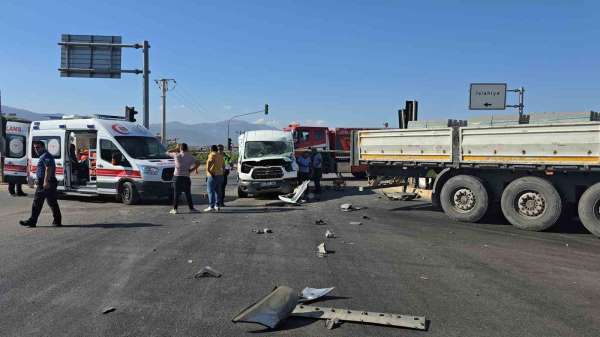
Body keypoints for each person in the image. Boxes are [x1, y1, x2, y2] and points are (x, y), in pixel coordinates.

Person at [19, 141, 62, 227]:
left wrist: (45, 181)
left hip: (46, 183)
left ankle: (32, 221)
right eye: (35, 148)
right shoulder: (44, 155)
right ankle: (57, 220)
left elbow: (48, 168)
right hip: (47, 182)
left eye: (38, 147)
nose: (36, 149)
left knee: (37, 202)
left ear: (43, 147)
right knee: (52, 202)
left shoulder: (45, 155)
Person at [167, 143, 200, 214]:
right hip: (186, 177)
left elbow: (167, 152)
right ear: (187, 148)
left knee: (176, 193)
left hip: (177, 177)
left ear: (180, 149)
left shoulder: (176, 155)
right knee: (188, 193)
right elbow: (198, 162)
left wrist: (176, 149)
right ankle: (191, 209)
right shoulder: (190, 156)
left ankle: (175, 209)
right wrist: (191, 170)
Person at [205, 145, 224, 212]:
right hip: (220, 175)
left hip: (212, 175)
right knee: (218, 191)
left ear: (211, 149)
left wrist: (209, 171)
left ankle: (211, 206)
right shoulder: (220, 156)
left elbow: (209, 163)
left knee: (210, 191)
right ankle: (217, 205)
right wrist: (222, 172)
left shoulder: (212, 155)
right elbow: (223, 165)